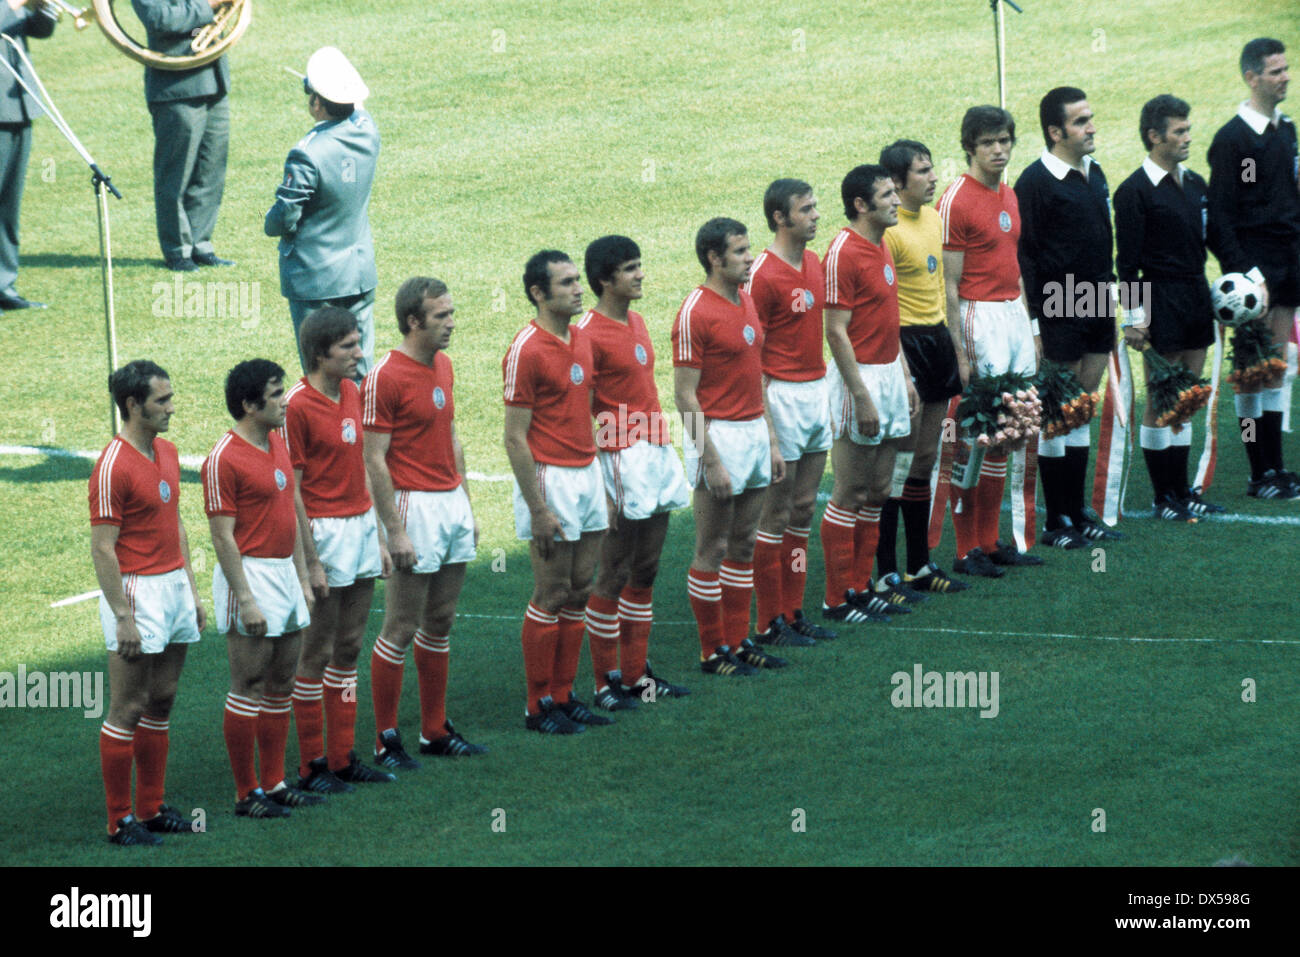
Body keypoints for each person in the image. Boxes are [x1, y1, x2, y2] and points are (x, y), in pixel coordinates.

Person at [363, 278, 486, 763]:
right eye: (441, 316)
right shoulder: (386, 377)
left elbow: (452, 435)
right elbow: (374, 459)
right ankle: (385, 738)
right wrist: (393, 529)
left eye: (451, 313)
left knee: (440, 621)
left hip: (450, 503)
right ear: (413, 321)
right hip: (413, 507)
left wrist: (467, 503)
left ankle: (434, 729)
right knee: (400, 624)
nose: (451, 323)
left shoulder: (444, 366)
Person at [91, 360, 204, 845]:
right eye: (161, 400)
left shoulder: (167, 452)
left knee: (163, 699)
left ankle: (152, 808)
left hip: (173, 585)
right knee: (129, 706)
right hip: (137, 592)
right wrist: (123, 616)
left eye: (171, 398)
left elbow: (174, 521)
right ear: (133, 405)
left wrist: (192, 590)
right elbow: (102, 546)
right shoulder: (112, 465)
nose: (171, 408)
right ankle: (120, 821)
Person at [577, 236, 692, 710]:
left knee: (645, 569)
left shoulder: (638, 321)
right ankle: (606, 684)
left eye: (639, 265)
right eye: (630, 269)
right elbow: (579, 409)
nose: (641, 274)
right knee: (614, 571)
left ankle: (638, 675)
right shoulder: (586, 333)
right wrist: (596, 482)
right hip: (620, 457)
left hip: (655, 449)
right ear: (605, 280)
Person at [285, 307, 397, 792]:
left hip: (358, 528)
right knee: (317, 651)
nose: (358, 353)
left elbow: (361, 468)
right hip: (324, 533)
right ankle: (311, 765)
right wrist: (309, 561)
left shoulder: (352, 391)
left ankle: (342, 755)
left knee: (348, 646)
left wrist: (378, 534)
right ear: (319, 354)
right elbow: (292, 492)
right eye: (348, 347)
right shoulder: (296, 406)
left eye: (358, 343)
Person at [203, 359, 320, 818]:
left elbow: (288, 512)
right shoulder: (223, 458)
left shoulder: (277, 442)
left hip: (283, 574)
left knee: (281, 683)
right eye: (275, 395)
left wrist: (303, 573)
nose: (285, 401)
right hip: (248, 576)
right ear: (250, 404)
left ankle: (274, 782)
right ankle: (245, 791)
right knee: (248, 684)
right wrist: (246, 598)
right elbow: (221, 536)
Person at [674, 218, 788, 674]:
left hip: (753, 433)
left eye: (748, 249)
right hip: (718, 435)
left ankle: (739, 643)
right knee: (713, 546)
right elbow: (683, 395)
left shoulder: (745, 300)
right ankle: (710, 651)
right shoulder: (694, 311)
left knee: (743, 543)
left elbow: (755, 375)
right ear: (713, 259)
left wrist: (772, 441)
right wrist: (710, 460)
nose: (749, 258)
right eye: (739, 252)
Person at [505, 251, 611, 729]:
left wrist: (601, 479)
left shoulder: (583, 339)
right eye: (565, 283)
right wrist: (538, 508)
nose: (577, 288)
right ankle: (537, 704)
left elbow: (585, 409)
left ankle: (565, 696)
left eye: (576, 281)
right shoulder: (526, 349)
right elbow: (513, 435)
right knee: (551, 593)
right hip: (551, 478)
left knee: (581, 589)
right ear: (538, 293)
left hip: (587, 473)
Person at [937, 106, 1041, 576]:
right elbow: (950, 285)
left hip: (1012, 312)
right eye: (989, 143)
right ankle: (964, 550)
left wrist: (1030, 326)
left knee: (1009, 429)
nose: (999, 150)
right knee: (976, 432)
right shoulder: (956, 199)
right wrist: (960, 349)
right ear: (969, 147)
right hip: (979, 315)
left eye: (1005, 141)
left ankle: (990, 539)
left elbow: (1014, 264)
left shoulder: (1010, 194)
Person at [1016, 86, 1123, 545]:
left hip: (1098, 300)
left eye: (1091, 118)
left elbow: (1106, 243)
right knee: (1056, 414)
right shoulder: (1034, 184)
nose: (1092, 127)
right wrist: (1035, 323)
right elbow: (1026, 260)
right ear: (1055, 131)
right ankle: (1055, 519)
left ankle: (1078, 512)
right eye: (1081, 122)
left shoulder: (1094, 172)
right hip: (1059, 304)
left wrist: (1127, 305)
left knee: (1081, 409)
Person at [1115, 95, 1227, 520]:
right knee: (1163, 400)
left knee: (1188, 397)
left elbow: (1216, 236)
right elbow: (1127, 264)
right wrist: (1134, 317)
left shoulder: (1196, 183)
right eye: (1178, 131)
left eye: (1187, 129)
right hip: (1160, 298)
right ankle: (1164, 497)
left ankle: (1183, 492)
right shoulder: (1133, 192)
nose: (1187, 137)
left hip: (1196, 293)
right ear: (1154, 136)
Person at [819, 166, 921, 624]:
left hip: (888, 374)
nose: (896, 200)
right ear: (861, 204)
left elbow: (887, 319)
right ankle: (836, 598)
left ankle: (862, 587)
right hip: (857, 379)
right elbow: (835, 332)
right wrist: (861, 396)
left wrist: (904, 376)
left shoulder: (881, 245)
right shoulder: (843, 252)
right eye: (886, 195)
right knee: (849, 491)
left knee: (880, 490)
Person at [744, 180, 838, 644]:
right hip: (780, 396)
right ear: (780, 218)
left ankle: (794, 609)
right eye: (806, 209)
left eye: (815, 207)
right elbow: (752, 357)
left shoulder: (816, 263)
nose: (816, 215)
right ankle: (768, 621)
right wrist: (769, 431)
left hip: (815, 390)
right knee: (775, 515)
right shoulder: (761, 275)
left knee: (803, 509)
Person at [1207, 37, 1300, 499]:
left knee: (1276, 369)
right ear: (1252, 77)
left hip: (1289, 265)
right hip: (1256, 275)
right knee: (1250, 375)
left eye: (1286, 69)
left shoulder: (1286, 130)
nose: (1285, 77)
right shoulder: (1235, 142)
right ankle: (1256, 471)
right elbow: (1223, 217)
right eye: (1276, 71)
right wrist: (1247, 274)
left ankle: (1276, 468)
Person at [877, 140, 969, 595]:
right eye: (923, 172)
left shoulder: (933, 218)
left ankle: (920, 565)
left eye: (932, 169)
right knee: (899, 462)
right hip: (907, 344)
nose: (933, 177)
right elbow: (883, 306)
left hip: (936, 340)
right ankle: (886, 569)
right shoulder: (888, 233)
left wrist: (957, 349)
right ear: (896, 182)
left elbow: (941, 288)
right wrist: (900, 366)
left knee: (926, 459)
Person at [265, 46, 379, 380]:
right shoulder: (368, 131)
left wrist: (268, 223)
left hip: (316, 281)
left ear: (317, 103)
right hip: (357, 272)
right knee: (360, 367)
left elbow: (284, 216)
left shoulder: (307, 153)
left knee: (323, 376)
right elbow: (358, 104)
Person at [132, 1, 233, 271]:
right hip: (176, 84)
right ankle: (178, 250)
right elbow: (160, 18)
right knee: (176, 174)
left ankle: (201, 244)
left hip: (213, 76)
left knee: (211, 169)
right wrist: (211, 4)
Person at [0, 0, 54, 309]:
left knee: (9, 205)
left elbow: (38, 30)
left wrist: (44, 11)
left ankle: (4, 286)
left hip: (18, 106)